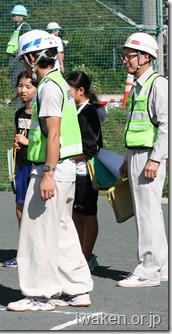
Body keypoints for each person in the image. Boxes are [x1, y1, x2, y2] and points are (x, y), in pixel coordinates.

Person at [7, 30, 93, 312]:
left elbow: (53, 135)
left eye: (24, 60)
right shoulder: (60, 84)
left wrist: (47, 173)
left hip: (52, 171)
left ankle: (40, 294)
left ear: (33, 58)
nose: (23, 66)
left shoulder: (47, 87)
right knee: (62, 230)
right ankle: (78, 289)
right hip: (65, 169)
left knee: (37, 233)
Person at [117, 32, 168, 288]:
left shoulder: (157, 84)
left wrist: (155, 159)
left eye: (130, 56)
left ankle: (148, 270)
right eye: (124, 55)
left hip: (148, 157)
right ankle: (161, 267)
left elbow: (166, 125)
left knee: (147, 214)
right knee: (151, 213)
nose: (125, 60)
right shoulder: (139, 85)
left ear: (145, 57)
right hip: (138, 155)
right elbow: (137, 125)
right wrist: (128, 158)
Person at [64, 70, 103, 272]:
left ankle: (87, 257)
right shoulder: (75, 110)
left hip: (85, 172)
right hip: (74, 171)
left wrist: (66, 156)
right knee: (76, 214)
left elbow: (91, 147)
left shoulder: (88, 113)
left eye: (69, 91)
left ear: (80, 90)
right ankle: (80, 254)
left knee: (87, 214)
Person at [3, 70, 37, 268]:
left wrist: (27, 141)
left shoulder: (43, 114)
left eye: (28, 86)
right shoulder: (19, 113)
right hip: (21, 166)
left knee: (36, 211)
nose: (23, 90)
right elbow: (19, 136)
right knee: (20, 209)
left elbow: (47, 142)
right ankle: (24, 253)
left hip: (37, 166)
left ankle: (37, 253)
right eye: (20, 86)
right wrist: (17, 144)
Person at [6, 5, 30, 93]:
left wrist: (19, 50)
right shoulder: (16, 27)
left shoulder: (24, 26)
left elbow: (25, 39)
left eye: (14, 15)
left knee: (16, 77)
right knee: (13, 77)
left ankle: (17, 101)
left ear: (20, 16)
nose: (12, 17)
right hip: (13, 56)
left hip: (18, 57)